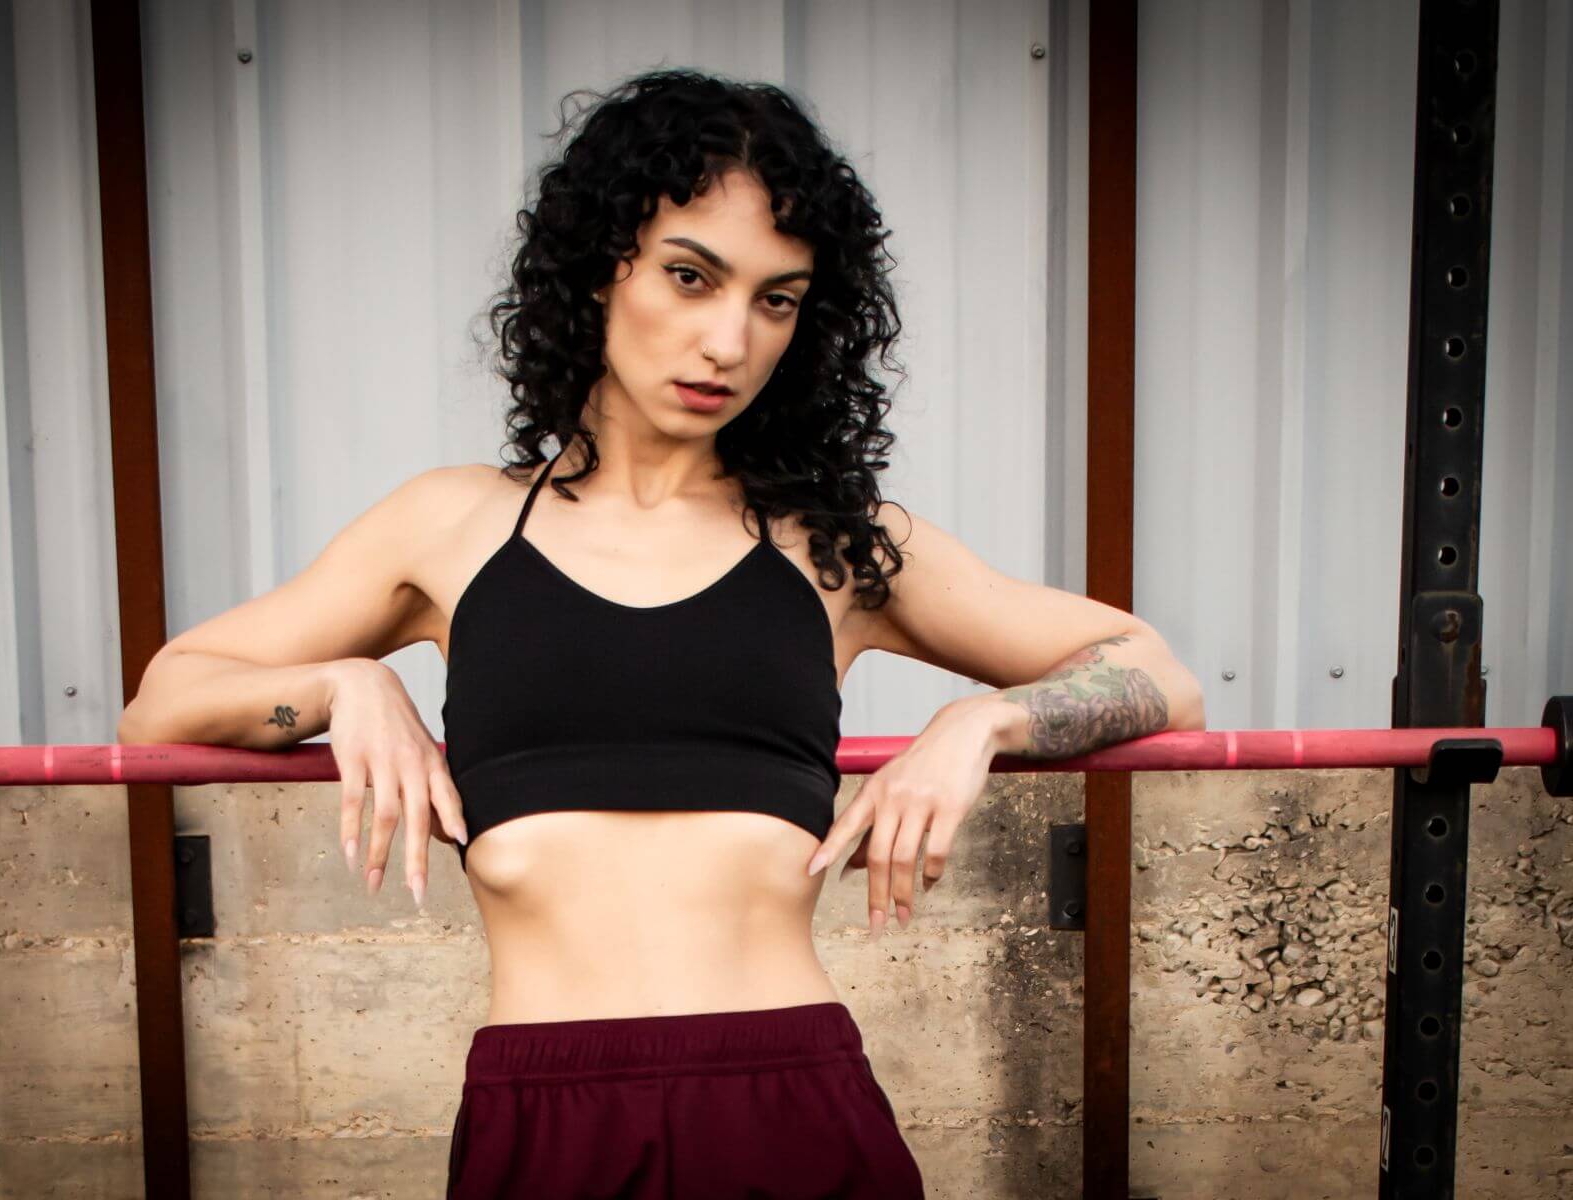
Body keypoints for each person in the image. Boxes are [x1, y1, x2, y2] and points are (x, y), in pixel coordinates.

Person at [119, 68, 1203, 1200]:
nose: (728, 339)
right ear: (601, 268)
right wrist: (346, 684)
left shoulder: (834, 546)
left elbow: (1157, 673)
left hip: (790, 1093)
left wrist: (984, 718)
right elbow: (161, 700)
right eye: (692, 277)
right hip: (546, 1107)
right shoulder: (450, 526)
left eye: (775, 300)